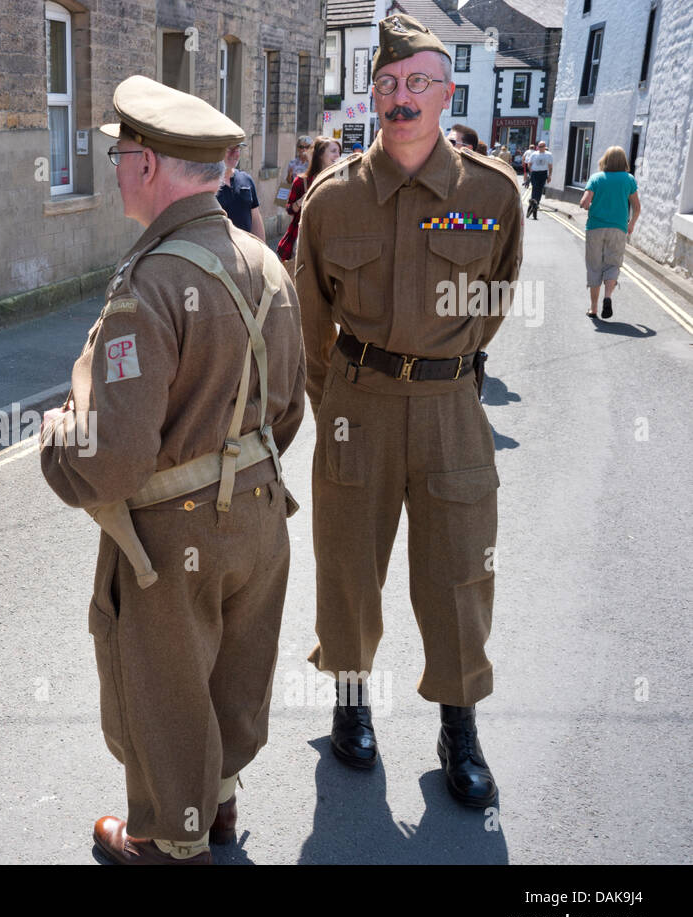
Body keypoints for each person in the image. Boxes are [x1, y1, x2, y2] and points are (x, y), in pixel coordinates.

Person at [40, 74, 305, 864]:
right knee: (228, 670)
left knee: (162, 691)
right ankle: (218, 809)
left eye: (123, 152)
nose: (117, 164)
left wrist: (56, 439)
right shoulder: (264, 263)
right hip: (260, 512)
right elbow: (289, 409)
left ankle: (166, 841)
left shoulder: (150, 283)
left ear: (149, 166)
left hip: (169, 537)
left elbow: (115, 458)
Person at [295, 13, 523, 809]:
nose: (401, 97)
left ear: (446, 91)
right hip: (359, 402)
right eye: (388, 83)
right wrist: (340, 401)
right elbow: (310, 320)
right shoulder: (331, 200)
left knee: (459, 568)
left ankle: (458, 724)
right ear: (374, 94)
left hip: (450, 406)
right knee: (349, 565)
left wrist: (447, 363)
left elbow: (493, 298)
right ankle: (351, 701)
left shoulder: (492, 195)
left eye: (418, 82)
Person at [580, 145, 641, 320]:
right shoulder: (628, 179)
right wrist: (631, 224)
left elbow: (584, 203)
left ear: (605, 160)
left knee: (594, 266)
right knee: (613, 264)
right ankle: (607, 297)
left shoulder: (596, 178)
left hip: (595, 227)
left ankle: (593, 308)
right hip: (618, 228)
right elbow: (637, 207)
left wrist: (593, 207)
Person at [277, 136, 341, 273]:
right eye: (334, 151)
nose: (338, 155)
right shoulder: (301, 181)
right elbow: (289, 209)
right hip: (304, 241)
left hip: (331, 242)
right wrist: (301, 201)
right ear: (320, 154)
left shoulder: (340, 180)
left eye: (339, 151)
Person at [216, 143, 265, 241]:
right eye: (230, 149)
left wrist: (262, 247)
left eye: (237, 149)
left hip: (246, 248)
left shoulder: (246, 179)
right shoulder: (210, 184)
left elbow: (255, 218)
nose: (234, 154)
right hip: (220, 249)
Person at [525, 140, 553, 218]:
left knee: (540, 191)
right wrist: (531, 173)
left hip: (543, 174)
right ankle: (533, 207)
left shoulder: (548, 155)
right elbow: (529, 164)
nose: (540, 148)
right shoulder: (534, 154)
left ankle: (533, 207)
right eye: (539, 146)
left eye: (542, 146)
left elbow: (550, 166)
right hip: (535, 173)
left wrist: (549, 176)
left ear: (545, 147)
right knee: (535, 189)